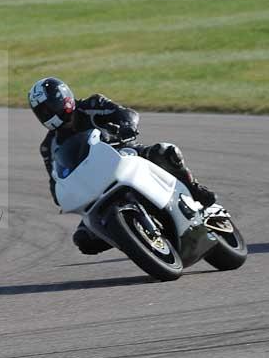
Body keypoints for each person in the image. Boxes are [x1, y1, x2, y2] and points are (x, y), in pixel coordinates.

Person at [28, 77, 216, 255]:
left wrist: (126, 126)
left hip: (124, 156)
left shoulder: (92, 105)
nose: (47, 115)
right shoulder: (49, 146)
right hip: (93, 187)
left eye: (49, 108)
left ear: (64, 99)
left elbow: (127, 114)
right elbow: (55, 181)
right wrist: (61, 194)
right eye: (41, 112)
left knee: (166, 152)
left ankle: (194, 189)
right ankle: (132, 238)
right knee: (83, 239)